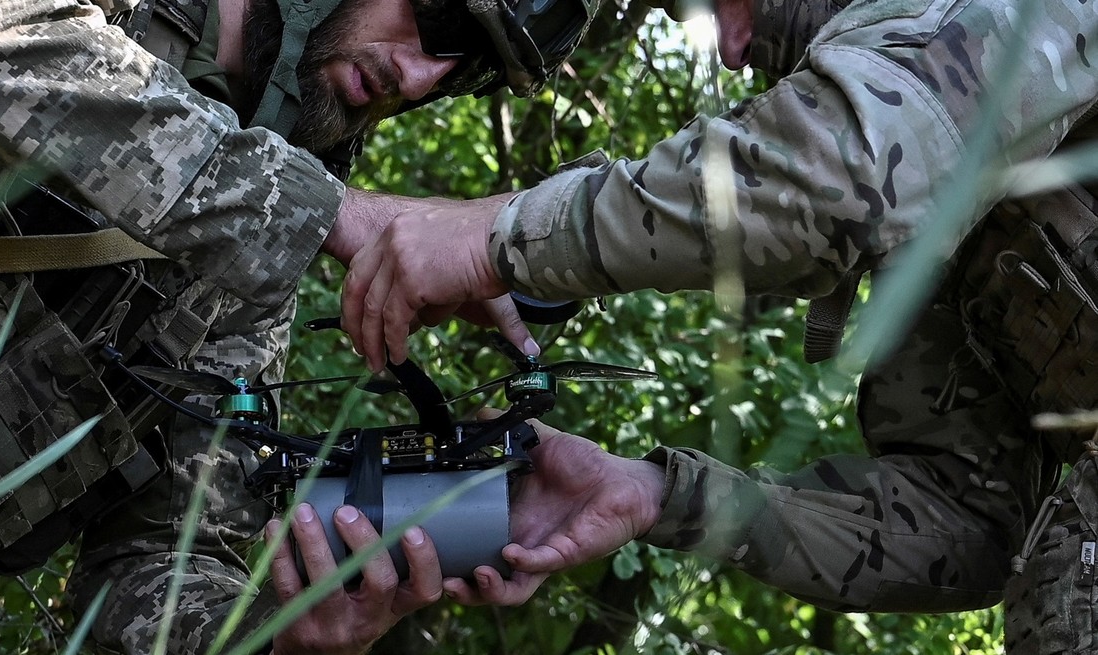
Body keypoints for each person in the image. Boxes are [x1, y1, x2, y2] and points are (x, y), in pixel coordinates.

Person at [0, 0, 594, 652]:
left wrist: (280, 636)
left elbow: (153, 564)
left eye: (467, 72)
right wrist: (331, 218)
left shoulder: (256, 256)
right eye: (443, 21)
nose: (419, 78)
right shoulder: (290, 207)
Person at [337, 0, 1098, 651]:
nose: (734, 52)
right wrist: (656, 493)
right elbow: (967, 522)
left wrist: (499, 237)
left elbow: (841, 179)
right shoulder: (944, 199)